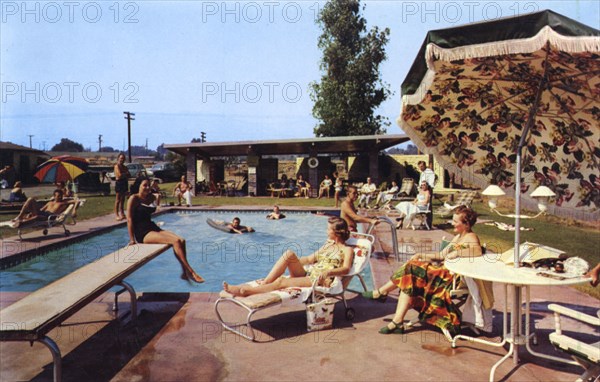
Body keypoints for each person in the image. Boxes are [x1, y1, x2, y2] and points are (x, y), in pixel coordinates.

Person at [362, 206, 484, 335]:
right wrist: (422, 255)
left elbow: (478, 250)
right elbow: (441, 255)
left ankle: (382, 293)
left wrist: (457, 253)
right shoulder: (458, 237)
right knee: (409, 275)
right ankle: (396, 321)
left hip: (451, 278)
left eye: (455, 221)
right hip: (443, 272)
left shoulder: (471, 237)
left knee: (411, 270)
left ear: (466, 224)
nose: (451, 223)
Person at [223, 217, 354, 297]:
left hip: (319, 280)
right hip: (308, 274)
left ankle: (247, 292)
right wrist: (289, 262)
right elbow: (309, 259)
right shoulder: (328, 245)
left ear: (336, 233)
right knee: (289, 254)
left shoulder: (347, 250)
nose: (326, 231)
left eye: (328, 229)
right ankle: (265, 283)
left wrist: (328, 272)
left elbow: (346, 269)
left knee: (281, 282)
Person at [127, 178, 204, 283]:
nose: (147, 187)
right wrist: (132, 239)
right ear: (138, 186)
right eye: (144, 185)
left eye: (148, 185)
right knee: (175, 241)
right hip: (142, 233)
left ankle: (184, 273)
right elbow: (129, 219)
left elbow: (157, 199)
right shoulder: (134, 198)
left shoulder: (150, 197)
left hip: (152, 227)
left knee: (181, 240)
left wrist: (157, 198)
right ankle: (191, 272)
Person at [8, 189, 78, 227]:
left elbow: (76, 201)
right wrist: (31, 212)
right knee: (30, 199)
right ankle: (20, 217)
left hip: (50, 217)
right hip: (44, 213)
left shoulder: (63, 203)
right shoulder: (49, 203)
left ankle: (20, 222)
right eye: (58, 196)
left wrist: (74, 210)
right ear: (54, 196)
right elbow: (41, 210)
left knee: (37, 217)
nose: (60, 197)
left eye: (61, 195)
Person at [114, 153, 130, 221]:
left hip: (124, 183)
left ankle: (122, 213)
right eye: (121, 158)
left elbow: (129, 174)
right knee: (118, 200)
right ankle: (116, 214)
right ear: (118, 159)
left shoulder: (124, 167)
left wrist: (124, 174)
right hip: (119, 183)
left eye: (123, 158)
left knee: (123, 199)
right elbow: (119, 175)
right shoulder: (116, 166)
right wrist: (124, 174)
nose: (122, 160)